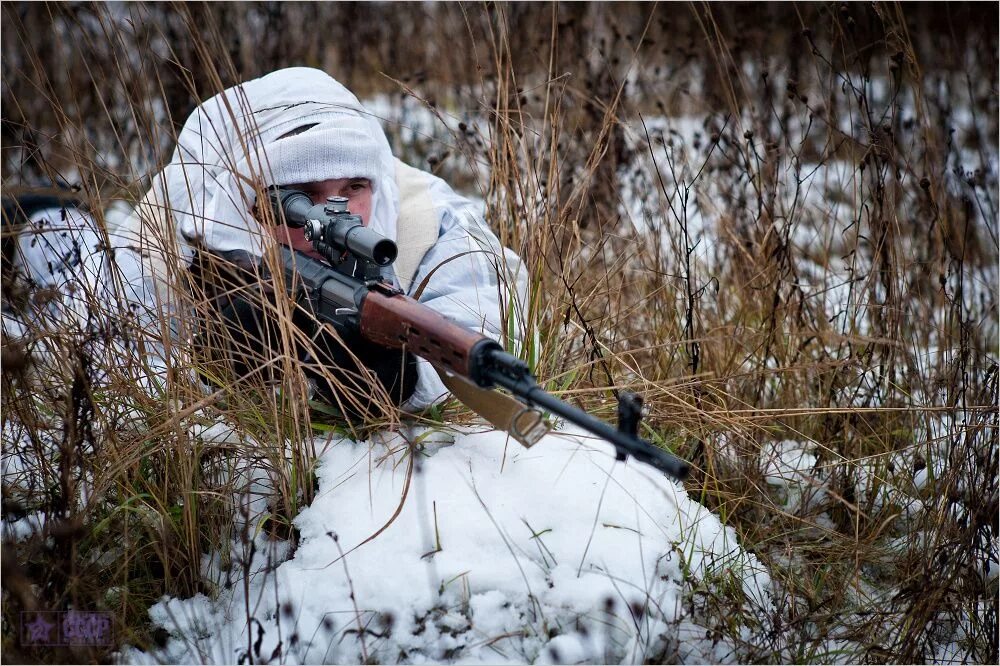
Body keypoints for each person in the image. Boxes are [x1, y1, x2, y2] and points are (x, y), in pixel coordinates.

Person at [3, 67, 526, 419]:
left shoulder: (426, 220)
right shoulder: (182, 229)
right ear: (244, 199)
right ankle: (42, 216)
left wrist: (398, 378)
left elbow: (483, 324)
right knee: (57, 255)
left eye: (354, 188)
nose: (335, 215)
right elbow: (78, 356)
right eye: (301, 197)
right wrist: (209, 363)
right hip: (72, 261)